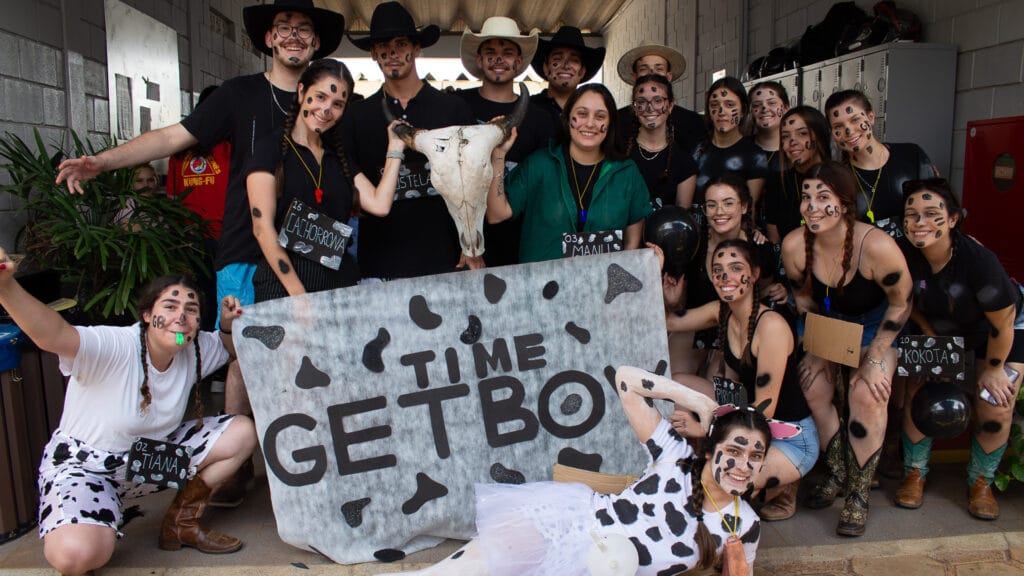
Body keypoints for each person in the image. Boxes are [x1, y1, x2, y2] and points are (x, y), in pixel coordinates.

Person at [54, 0, 345, 503]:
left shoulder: (332, 104)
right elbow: (173, 136)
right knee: (245, 355)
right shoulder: (238, 95)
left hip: (315, 258)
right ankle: (235, 469)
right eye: (284, 28)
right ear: (269, 39)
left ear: (316, 43)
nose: (294, 35)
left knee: (313, 356)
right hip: (246, 250)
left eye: (304, 29)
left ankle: (310, 463)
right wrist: (103, 162)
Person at [377, 366, 786, 576]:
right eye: (735, 450)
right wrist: (695, 401)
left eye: (755, 455)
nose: (743, 465)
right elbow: (626, 380)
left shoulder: (743, 525)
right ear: (712, 448)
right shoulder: (674, 455)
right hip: (568, 525)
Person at [0, 248, 257, 576]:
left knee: (241, 432)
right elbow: (53, 334)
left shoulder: (193, 347)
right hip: (88, 468)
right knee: (75, 556)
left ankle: (180, 523)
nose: (181, 316)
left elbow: (229, 348)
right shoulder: (114, 344)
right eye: (170, 306)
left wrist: (227, 325)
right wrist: (6, 287)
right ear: (148, 315)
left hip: (144, 463)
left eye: (191, 310)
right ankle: (89, 520)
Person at [781, 160, 911, 536]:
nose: (813, 206)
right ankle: (838, 471)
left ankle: (858, 493)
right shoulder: (795, 245)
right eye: (806, 197)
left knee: (867, 393)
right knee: (813, 386)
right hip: (830, 323)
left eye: (824, 197)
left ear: (845, 203)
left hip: (877, 326)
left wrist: (874, 358)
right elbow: (804, 300)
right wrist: (816, 348)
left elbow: (902, 303)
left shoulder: (876, 246)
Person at [896, 178, 1023, 520]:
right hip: (940, 327)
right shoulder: (902, 252)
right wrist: (929, 335)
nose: (919, 222)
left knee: (995, 402)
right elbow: (904, 301)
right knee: (919, 391)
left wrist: (993, 370)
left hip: (1000, 331)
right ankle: (914, 472)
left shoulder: (977, 260)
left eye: (931, 213)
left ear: (953, 219)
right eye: (911, 214)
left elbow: (1003, 323)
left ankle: (981, 482)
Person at [665, 239, 817, 521]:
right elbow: (670, 322)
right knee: (676, 385)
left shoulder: (770, 327)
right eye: (718, 270)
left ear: (754, 274)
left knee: (721, 476)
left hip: (787, 438)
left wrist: (705, 429)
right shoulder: (721, 311)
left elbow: (763, 414)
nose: (726, 277)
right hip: (744, 417)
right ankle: (702, 468)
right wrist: (672, 301)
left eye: (736, 268)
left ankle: (778, 487)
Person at [247, 59, 407, 300]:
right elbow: (262, 228)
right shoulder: (270, 149)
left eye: (337, 104)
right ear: (301, 91)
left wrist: (395, 147)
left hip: (338, 288)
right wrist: (298, 295)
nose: (326, 109)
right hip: (283, 291)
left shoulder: (337, 158)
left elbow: (380, 204)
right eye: (320, 97)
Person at [340, 1, 477, 280]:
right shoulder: (355, 116)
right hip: (379, 263)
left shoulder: (453, 109)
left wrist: (471, 242)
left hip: (444, 256)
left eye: (401, 44)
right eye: (383, 46)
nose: (392, 53)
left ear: (416, 49)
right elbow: (346, 185)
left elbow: (472, 183)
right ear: (373, 54)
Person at [486, 84, 651, 263]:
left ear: (610, 123)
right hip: (543, 280)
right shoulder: (539, 164)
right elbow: (496, 215)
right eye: (582, 114)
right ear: (567, 118)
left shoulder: (626, 173)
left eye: (600, 116)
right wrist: (498, 155)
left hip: (603, 280)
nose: (590, 123)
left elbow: (632, 247)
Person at [457, 16, 555, 266]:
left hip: (522, 242)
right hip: (465, 244)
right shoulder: (457, 106)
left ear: (518, 62)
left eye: (507, 53)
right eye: (490, 52)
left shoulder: (541, 119)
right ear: (479, 60)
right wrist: (464, 241)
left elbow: (544, 189)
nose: (498, 59)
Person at [677, 175, 786, 377]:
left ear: (744, 207)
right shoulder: (693, 244)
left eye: (728, 203)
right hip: (695, 323)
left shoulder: (759, 249)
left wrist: (778, 290)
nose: (719, 211)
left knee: (719, 387)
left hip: (736, 327)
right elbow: (678, 300)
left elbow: (764, 291)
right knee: (669, 379)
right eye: (712, 205)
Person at [825, 89, 937, 239]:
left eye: (855, 120)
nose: (849, 131)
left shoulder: (911, 155)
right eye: (838, 126)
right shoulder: (837, 179)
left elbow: (937, 209)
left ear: (871, 117)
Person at [167, 85, 231, 331]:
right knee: (222, 296)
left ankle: (197, 343)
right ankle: (215, 344)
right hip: (222, 236)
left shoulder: (179, 152)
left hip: (192, 237)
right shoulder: (229, 146)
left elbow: (172, 198)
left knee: (198, 296)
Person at [692, 77, 768, 227]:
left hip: (732, 235)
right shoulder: (696, 151)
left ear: (743, 110)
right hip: (697, 233)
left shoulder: (754, 156)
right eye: (714, 105)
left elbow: (749, 212)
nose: (721, 112)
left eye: (729, 105)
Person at [615, 43, 705, 157]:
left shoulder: (692, 122)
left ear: (668, 76)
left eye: (659, 68)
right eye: (644, 69)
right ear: (634, 77)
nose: (652, 73)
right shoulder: (616, 121)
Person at [623, 74, 697, 210]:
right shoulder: (619, 155)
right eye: (641, 102)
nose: (649, 108)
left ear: (670, 106)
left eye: (657, 101)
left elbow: (682, 217)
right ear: (634, 107)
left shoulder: (684, 162)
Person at [766, 106, 831, 244]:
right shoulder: (777, 183)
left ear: (819, 136)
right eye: (785, 136)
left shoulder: (839, 179)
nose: (792, 142)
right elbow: (774, 242)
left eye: (802, 133)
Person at [528, 26, 605, 125]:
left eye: (574, 60)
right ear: (545, 68)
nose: (565, 66)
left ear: (582, 71)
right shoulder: (527, 108)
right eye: (557, 59)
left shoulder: (594, 111)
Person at [749, 81, 790, 232]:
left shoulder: (796, 151)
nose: (764, 108)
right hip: (750, 232)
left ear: (786, 108)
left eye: (772, 103)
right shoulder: (743, 150)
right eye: (757, 105)